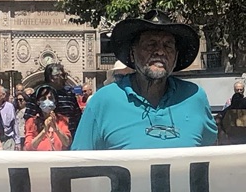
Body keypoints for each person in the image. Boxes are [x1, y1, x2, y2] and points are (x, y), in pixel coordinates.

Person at [71, 17, 218, 150]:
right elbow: (78, 166)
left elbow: (213, 159)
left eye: (168, 46)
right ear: (132, 53)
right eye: (151, 44)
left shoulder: (195, 98)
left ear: (176, 56)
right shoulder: (102, 102)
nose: (160, 52)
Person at [20, 85, 73, 151]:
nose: (47, 101)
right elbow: (29, 147)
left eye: (50, 98)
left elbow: (67, 143)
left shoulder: (62, 120)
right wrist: (44, 131)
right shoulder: (32, 122)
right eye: (43, 99)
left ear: (55, 101)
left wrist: (56, 128)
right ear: (38, 102)